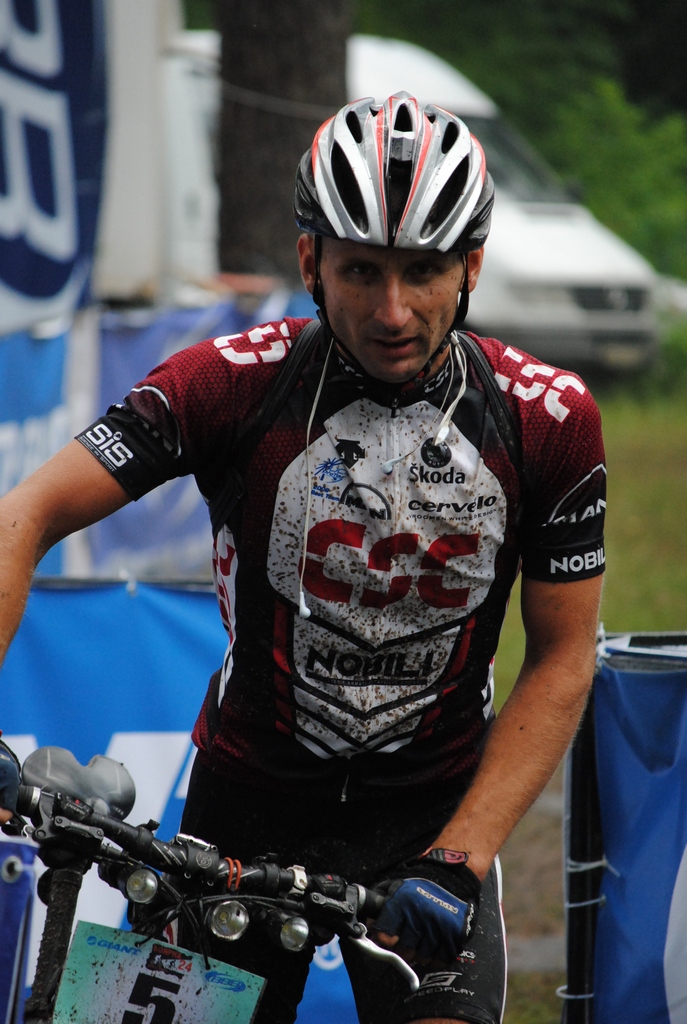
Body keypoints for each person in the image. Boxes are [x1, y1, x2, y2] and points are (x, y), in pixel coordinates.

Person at [0, 93, 605, 1024]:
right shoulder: (227, 383)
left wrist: (461, 856)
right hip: (242, 808)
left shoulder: (548, 420)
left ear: (471, 266)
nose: (392, 310)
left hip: (431, 822)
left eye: (424, 271)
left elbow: (564, 655)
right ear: (309, 261)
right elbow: (26, 513)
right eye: (360, 270)